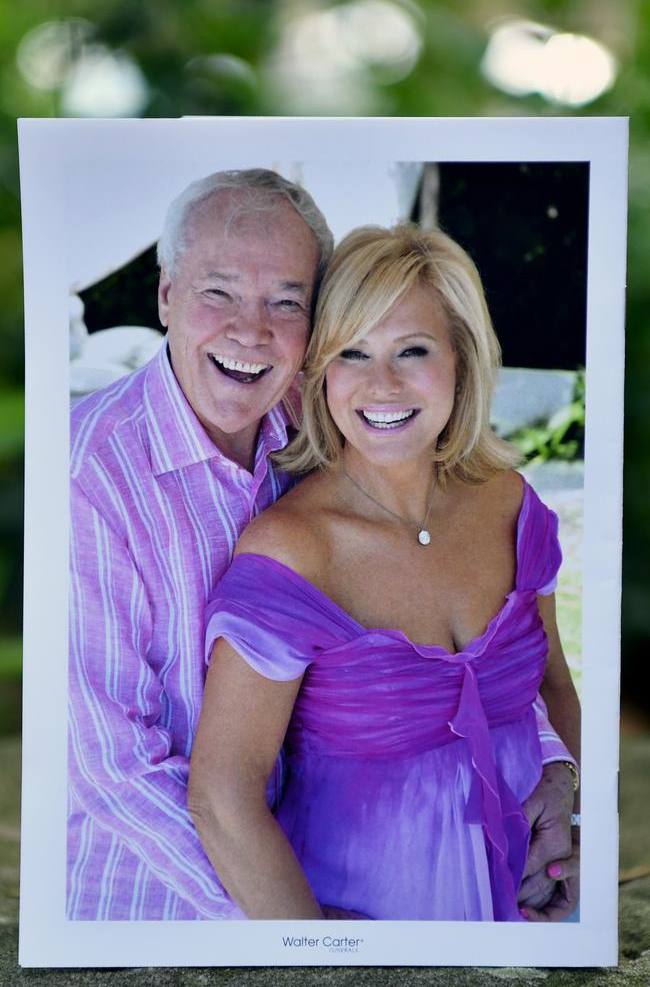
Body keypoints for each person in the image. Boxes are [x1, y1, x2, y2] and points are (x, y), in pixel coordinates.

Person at [69, 167, 575, 922]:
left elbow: (470, 661)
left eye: (286, 302)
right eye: (219, 291)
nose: (252, 329)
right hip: (164, 907)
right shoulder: (86, 476)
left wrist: (556, 780)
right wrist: (301, 931)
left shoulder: (311, 428)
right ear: (166, 293)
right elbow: (113, 771)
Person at [189, 223, 581, 921]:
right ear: (321, 372)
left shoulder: (511, 502)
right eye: (353, 353)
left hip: (529, 919)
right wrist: (324, 960)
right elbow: (222, 796)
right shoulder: (293, 549)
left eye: (413, 351)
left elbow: (554, 688)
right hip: (367, 926)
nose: (382, 384)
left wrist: (570, 804)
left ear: (461, 358)